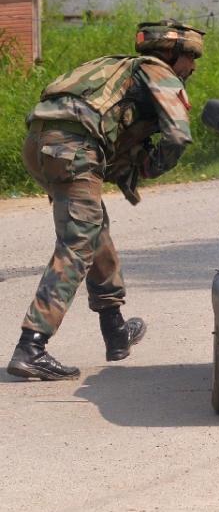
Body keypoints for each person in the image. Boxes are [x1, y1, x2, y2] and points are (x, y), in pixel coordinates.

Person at [6, 19, 204, 381]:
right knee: (77, 246)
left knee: (96, 232)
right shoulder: (158, 72)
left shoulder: (114, 68)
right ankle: (31, 346)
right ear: (172, 55)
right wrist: (152, 167)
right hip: (74, 149)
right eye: (191, 59)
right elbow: (177, 135)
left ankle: (115, 332)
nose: (192, 68)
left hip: (40, 145)